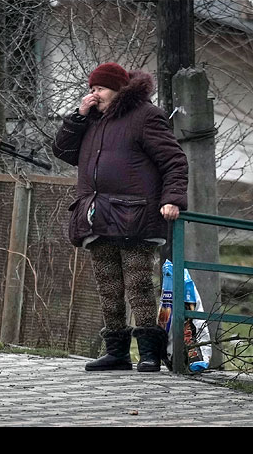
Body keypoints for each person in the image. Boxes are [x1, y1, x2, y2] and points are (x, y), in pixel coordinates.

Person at [52, 62, 188, 373]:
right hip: (97, 216)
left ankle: (151, 353)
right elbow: (62, 150)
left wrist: (172, 199)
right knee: (108, 287)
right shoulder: (92, 120)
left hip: (136, 215)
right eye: (91, 89)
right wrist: (78, 117)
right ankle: (117, 353)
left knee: (138, 285)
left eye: (98, 88)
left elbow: (174, 161)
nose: (93, 94)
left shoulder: (146, 116)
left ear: (117, 88)